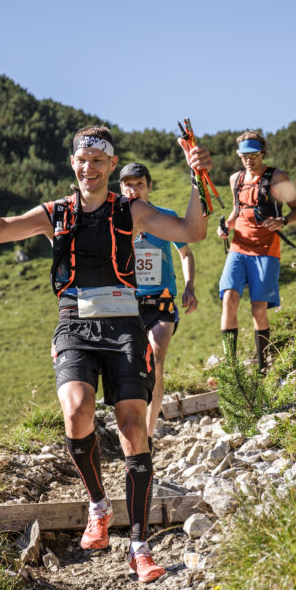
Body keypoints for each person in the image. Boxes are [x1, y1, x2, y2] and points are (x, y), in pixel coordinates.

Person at [0, 126, 211, 583]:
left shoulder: (130, 210)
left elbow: (193, 230)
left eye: (98, 160)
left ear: (112, 166)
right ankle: (97, 503)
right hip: (75, 321)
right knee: (76, 413)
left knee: (134, 424)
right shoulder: (55, 213)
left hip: (124, 324)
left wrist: (197, 181)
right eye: (82, 159)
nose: (89, 167)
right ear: (72, 164)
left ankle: (138, 544)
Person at [117, 162, 198, 447]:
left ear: (150, 187)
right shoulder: (114, 221)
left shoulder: (166, 218)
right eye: (128, 184)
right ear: (120, 188)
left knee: (156, 360)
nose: (134, 189)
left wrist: (189, 287)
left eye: (139, 184)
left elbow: (186, 253)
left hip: (161, 302)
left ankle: (148, 435)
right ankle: (131, 429)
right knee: (129, 366)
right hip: (126, 304)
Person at [217, 131, 296, 371]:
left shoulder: (278, 177)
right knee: (229, 298)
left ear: (263, 154)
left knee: (258, 309)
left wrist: (283, 221)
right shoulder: (235, 179)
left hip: (267, 250)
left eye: (253, 155)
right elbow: (236, 214)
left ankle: (263, 364)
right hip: (238, 247)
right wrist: (225, 228)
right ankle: (231, 364)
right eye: (244, 155)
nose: (248, 160)